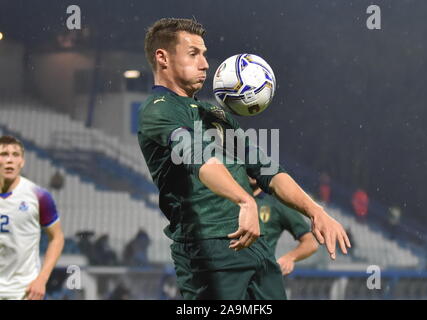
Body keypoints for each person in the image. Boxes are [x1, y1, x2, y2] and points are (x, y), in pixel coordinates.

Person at [138, 18, 350, 300]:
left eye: (204, 54)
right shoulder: (158, 111)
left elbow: (266, 168)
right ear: (162, 58)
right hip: (210, 248)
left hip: (256, 247)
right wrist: (245, 199)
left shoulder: (215, 114)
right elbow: (201, 160)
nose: (204, 64)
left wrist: (316, 211)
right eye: (193, 54)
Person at [0, 135, 64, 300]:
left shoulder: (38, 196)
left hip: (24, 292)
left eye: (15, 155)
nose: (10, 160)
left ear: (22, 162)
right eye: (4, 154)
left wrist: (41, 279)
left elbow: (57, 238)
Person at [250, 177, 319, 275]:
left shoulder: (276, 203)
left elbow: (311, 242)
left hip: (260, 276)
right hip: (228, 273)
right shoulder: (227, 198)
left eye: (254, 164)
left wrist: (290, 257)